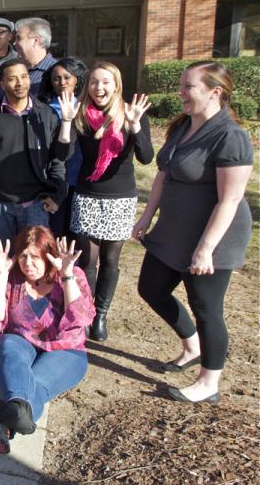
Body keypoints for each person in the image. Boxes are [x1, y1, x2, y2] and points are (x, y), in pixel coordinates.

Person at [134, 61, 253, 404]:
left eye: (189, 87)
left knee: (206, 307)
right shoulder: (183, 126)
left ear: (215, 92)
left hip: (213, 236)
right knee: (151, 289)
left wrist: (205, 249)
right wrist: (147, 217)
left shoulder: (231, 137)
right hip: (173, 231)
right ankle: (192, 345)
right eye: (182, 85)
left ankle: (208, 383)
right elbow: (162, 176)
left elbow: (229, 201)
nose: (181, 93)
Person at [0, 226, 94, 453]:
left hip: (65, 350)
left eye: (35, 257)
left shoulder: (71, 274)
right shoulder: (14, 277)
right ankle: (15, 416)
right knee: (9, 345)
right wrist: (0, 275)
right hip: (20, 343)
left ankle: (6, 425)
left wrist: (67, 275)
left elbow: (81, 317)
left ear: (49, 255)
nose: (28, 263)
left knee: (35, 384)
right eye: (23, 256)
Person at [65, 63, 153, 341]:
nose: (99, 88)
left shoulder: (130, 114)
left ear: (116, 85)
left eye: (105, 82)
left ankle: (102, 314)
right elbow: (62, 153)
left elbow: (147, 157)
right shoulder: (80, 114)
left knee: (110, 259)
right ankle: (87, 313)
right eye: (93, 82)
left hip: (119, 197)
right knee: (87, 260)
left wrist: (137, 126)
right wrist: (66, 122)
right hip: (88, 194)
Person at [0, 59, 72, 243]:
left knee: (34, 264)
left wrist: (57, 195)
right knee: (3, 264)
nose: (20, 83)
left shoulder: (45, 115)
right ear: (1, 83)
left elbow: (57, 160)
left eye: (24, 77)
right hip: (0, 205)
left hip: (36, 205)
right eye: (12, 79)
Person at [41, 59, 88, 238]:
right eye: (56, 79)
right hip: (53, 178)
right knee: (54, 232)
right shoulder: (43, 107)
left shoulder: (85, 106)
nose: (62, 82)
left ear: (77, 79)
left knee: (75, 235)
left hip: (80, 176)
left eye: (67, 77)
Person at [13, 18, 57, 99]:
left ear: (36, 40)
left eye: (19, 38)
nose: (14, 43)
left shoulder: (56, 71)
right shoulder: (14, 69)